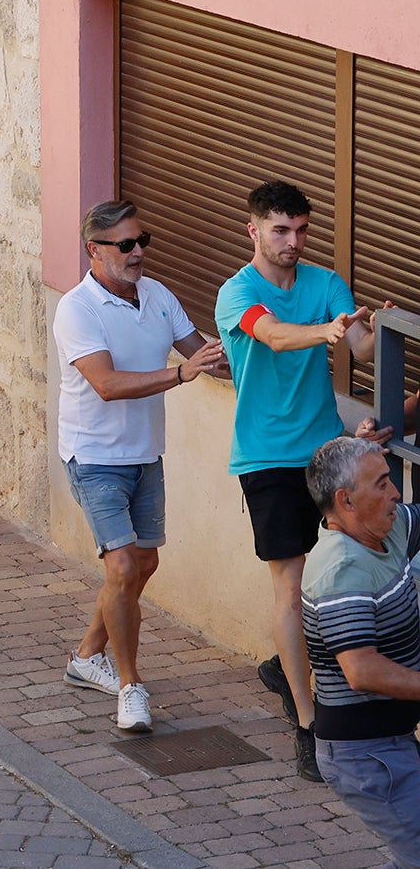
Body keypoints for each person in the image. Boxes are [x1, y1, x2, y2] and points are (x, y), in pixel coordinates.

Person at [215, 179, 385, 781]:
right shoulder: (237, 292)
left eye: (301, 230)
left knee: (351, 568)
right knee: (290, 588)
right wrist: (325, 332)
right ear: (254, 230)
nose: (293, 241)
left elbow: (361, 348)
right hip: (265, 459)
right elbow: (273, 335)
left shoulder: (324, 282)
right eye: (281, 230)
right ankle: (308, 723)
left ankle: (285, 665)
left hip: (325, 451)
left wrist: (372, 327)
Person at [51, 201, 228, 734]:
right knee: (124, 568)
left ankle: (87, 656)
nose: (138, 253)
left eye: (141, 240)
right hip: (94, 458)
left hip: (146, 454)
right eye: (125, 245)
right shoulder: (77, 309)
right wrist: (180, 375)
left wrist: (283, 342)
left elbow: (204, 355)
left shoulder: (157, 295)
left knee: (142, 565)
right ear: (94, 250)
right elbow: (106, 385)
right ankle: (130, 687)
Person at [301, 436, 420, 866]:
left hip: (392, 741)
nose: (395, 493)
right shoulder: (342, 571)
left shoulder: (386, 529)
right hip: (365, 756)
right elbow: (362, 671)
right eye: (382, 484)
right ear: (346, 500)